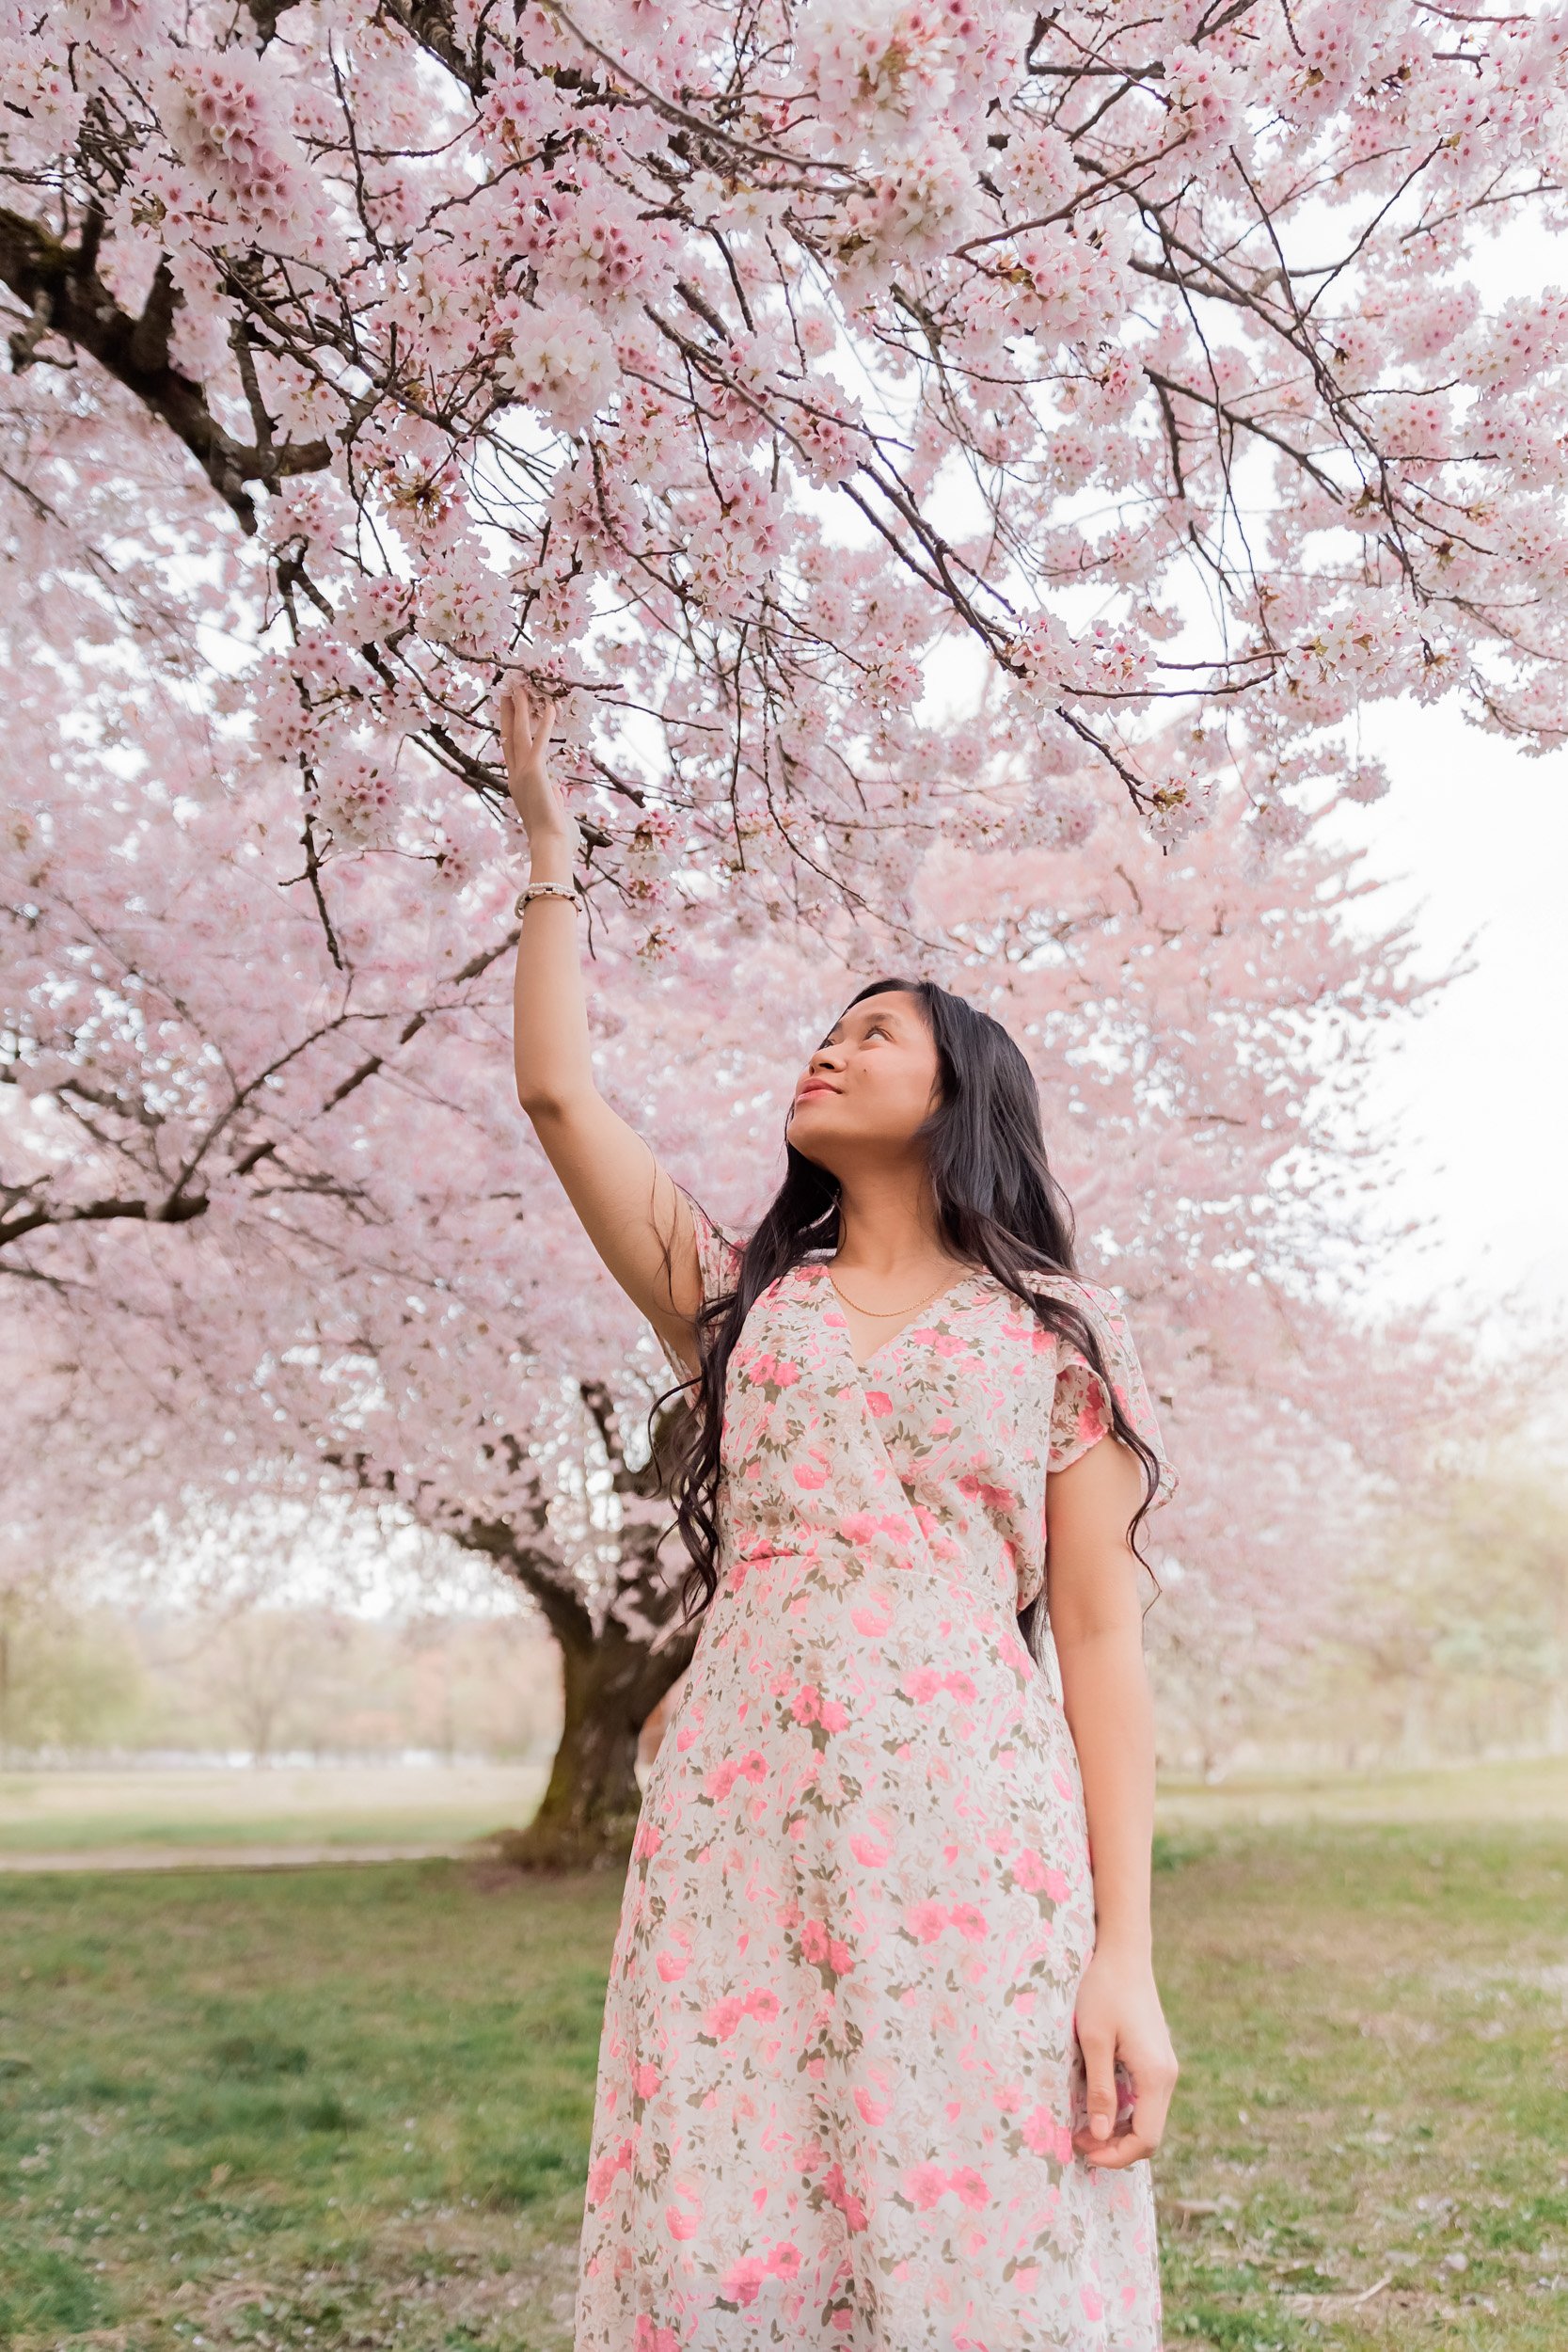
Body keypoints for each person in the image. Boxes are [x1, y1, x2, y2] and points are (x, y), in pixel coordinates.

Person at [499, 681, 1180, 2351]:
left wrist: (1129, 1957)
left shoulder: (1051, 1348)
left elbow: (1096, 1645)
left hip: (977, 1825)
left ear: (961, 1096)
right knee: (735, 2193)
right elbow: (561, 1104)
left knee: (980, 2206)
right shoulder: (745, 1305)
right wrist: (549, 857)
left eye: (880, 1030)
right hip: (744, 1806)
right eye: (831, 1024)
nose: (834, 1042)